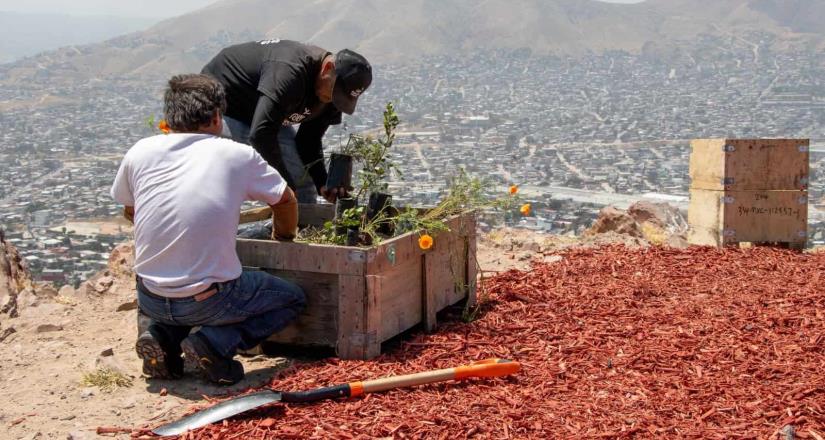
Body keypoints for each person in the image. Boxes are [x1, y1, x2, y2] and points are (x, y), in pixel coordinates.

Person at [111, 74, 306, 385]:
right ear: (217, 117)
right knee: (292, 298)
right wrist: (283, 238)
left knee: (180, 292)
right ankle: (215, 344)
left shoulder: (140, 152)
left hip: (150, 296)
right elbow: (286, 201)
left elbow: (130, 210)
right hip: (211, 299)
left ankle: (161, 337)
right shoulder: (235, 154)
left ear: (169, 117)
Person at [201, 39, 372, 204]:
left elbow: (308, 141)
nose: (332, 100)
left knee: (303, 183)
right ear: (327, 68)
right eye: (334, 93)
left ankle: (297, 229)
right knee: (234, 182)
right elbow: (260, 134)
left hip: (264, 115)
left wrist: (322, 182)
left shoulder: (332, 96)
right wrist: (286, 185)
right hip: (225, 103)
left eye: (341, 98)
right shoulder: (291, 71)